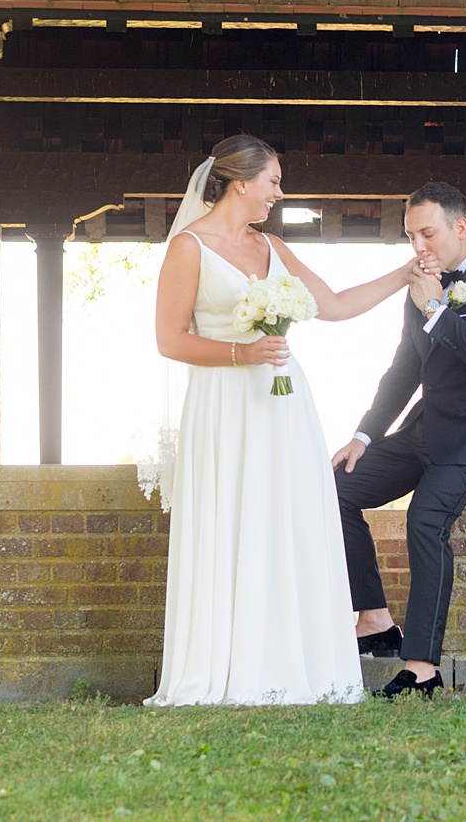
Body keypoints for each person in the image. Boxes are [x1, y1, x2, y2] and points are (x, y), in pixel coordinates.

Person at [144, 134, 413, 706]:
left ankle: (295, 664)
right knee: (234, 521)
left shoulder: (271, 246)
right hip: (224, 407)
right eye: (273, 182)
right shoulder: (189, 247)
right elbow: (170, 340)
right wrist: (242, 353)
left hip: (285, 404)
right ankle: (227, 668)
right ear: (241, 182)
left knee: (290, 521)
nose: (278, 193)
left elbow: (335, 305)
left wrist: (405, 273)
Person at [331, 181, 466, 699]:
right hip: (425, 429)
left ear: (460, 226)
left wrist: (438, 311)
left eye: (427, 234)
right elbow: (405, 369)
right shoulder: (423, 286)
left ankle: (422, 667)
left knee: (424, 519)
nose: (418, 248)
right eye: (410, 237)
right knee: (335, 488)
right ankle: (375, 619)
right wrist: (364, 434)